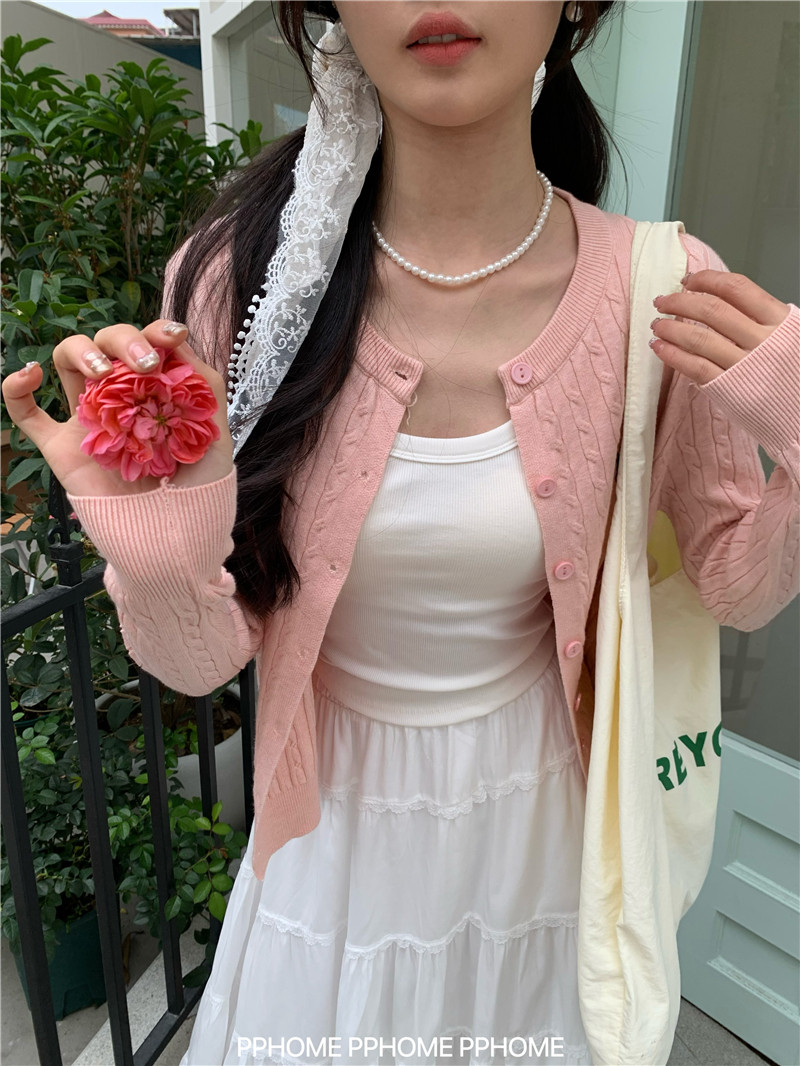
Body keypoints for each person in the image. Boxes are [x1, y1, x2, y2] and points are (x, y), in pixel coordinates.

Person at [3, 3, 798, 1064]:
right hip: (325, 841)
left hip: (541, 838)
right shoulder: (242, 282)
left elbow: (734, 585)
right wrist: (154, 554)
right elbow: (198, 665)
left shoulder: (660, 287)